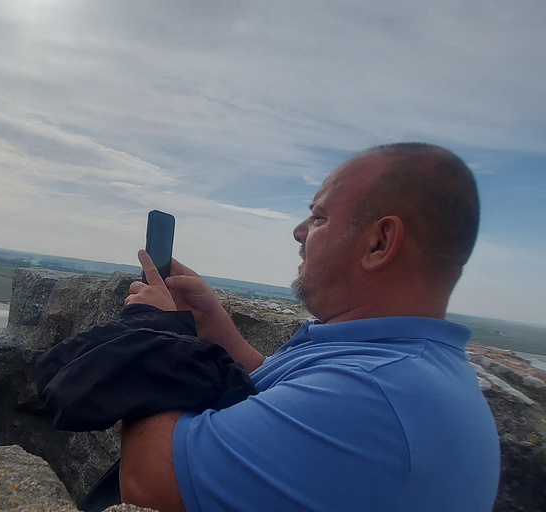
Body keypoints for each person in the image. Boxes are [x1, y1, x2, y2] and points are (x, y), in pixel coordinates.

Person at [121, 143, 500, 512]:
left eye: (319, 217)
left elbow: (148, 484)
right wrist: (215, 329)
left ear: (379, 243)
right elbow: (291, 401)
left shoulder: (371, 391)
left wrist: (155, 333)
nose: (299, 231)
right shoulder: (403, 364)